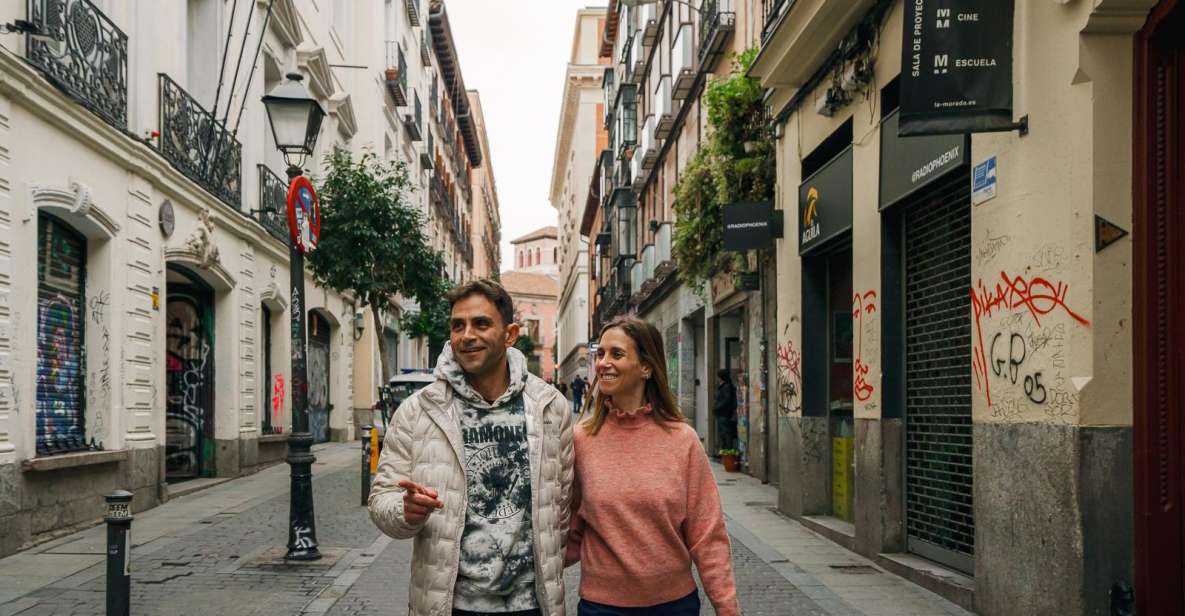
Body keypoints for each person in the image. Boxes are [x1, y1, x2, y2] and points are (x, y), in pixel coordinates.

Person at [368, 279, 575, 616]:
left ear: (510, 335)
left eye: (481, 324)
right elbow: (381, 501)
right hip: (449, 605)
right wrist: (405, 513)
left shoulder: (550, 408)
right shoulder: (419, 410)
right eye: (457, 325)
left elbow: (561, 505)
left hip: (532, 606)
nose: (466, 336)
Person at [566, 316, 739, 616]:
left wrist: (727, 607)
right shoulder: (581, 440)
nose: (603, 363)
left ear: (646, 367)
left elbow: (707, 533)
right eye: (601, 354)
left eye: (616, 354)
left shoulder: (682, 440)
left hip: (673, 606)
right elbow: (570, 529)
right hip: (601, 608)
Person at [713, 369, 738, 453]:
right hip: (722, 413)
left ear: (721, 377)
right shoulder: (723, 386)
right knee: (723, 433)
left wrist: (717, 406)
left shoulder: (726, 387)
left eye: (718, 377)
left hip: (724, 414)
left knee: (726, 433)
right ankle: (725, 452)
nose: (717, 378)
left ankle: (728, 452)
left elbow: (726, 400)